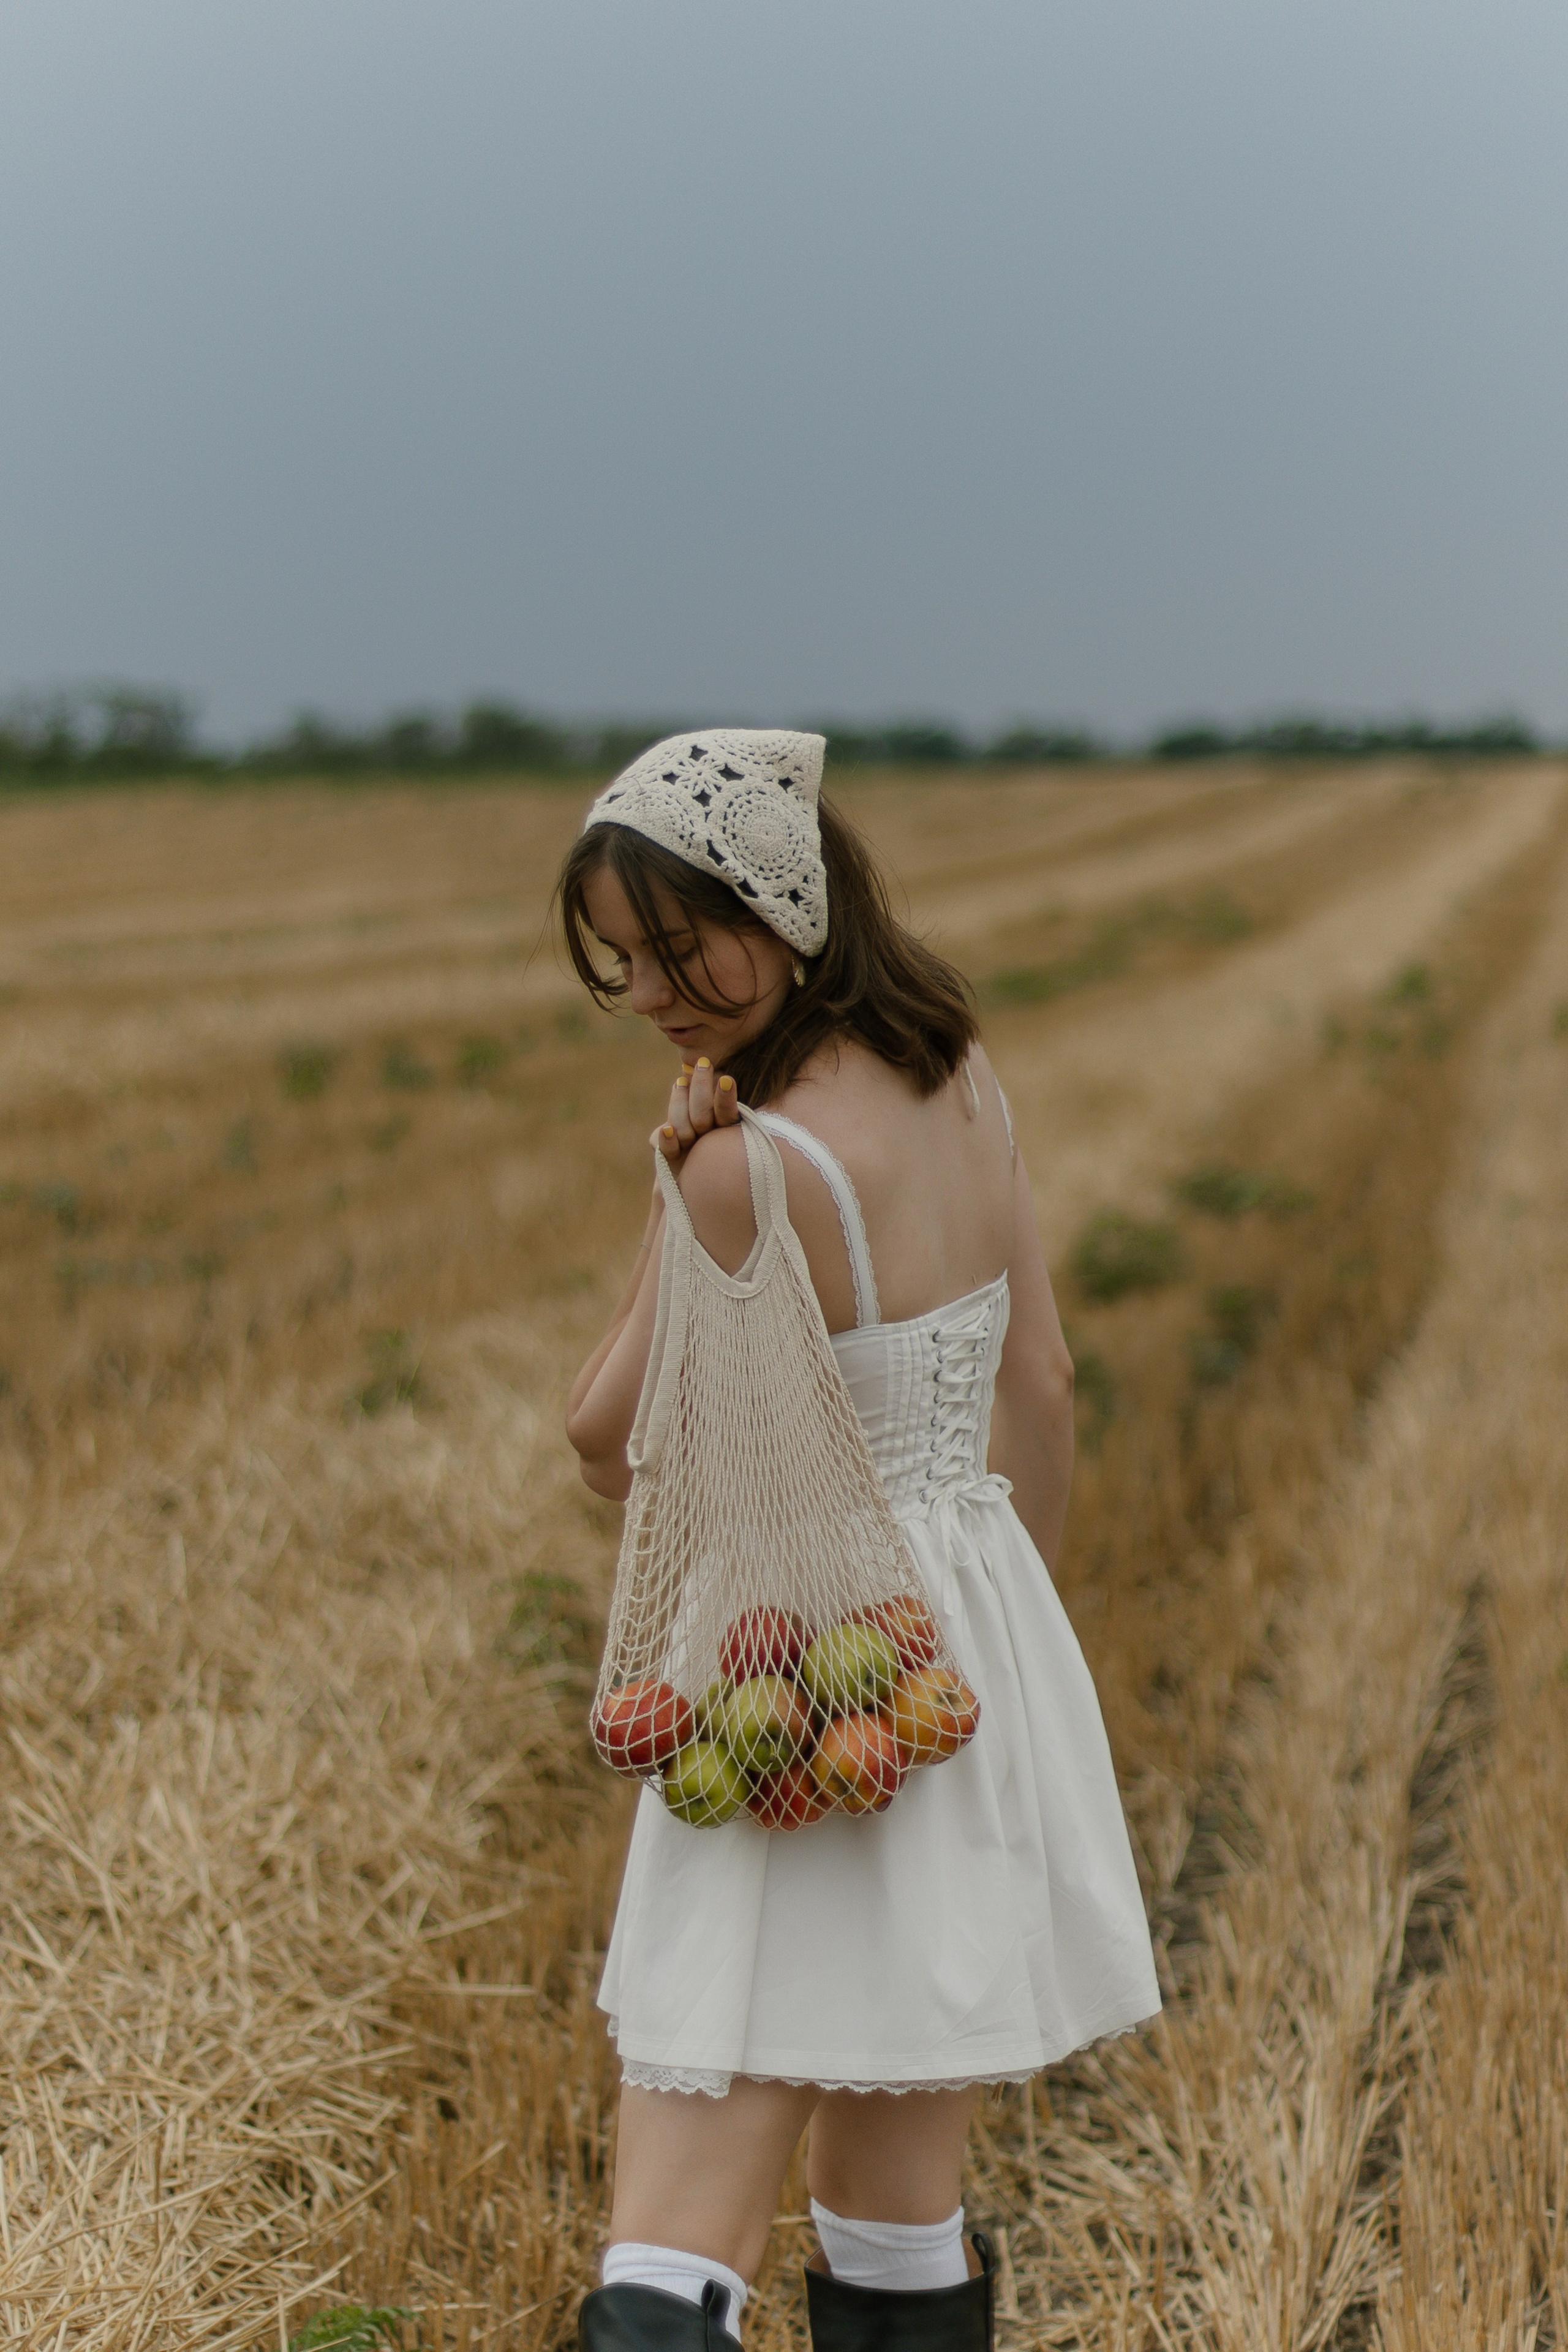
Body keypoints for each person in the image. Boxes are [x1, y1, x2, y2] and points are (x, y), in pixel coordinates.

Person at [557, 731, 1160, 2351]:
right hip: (956, 1655)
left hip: (795, 1669)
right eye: (627, 961)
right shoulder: (964, 1078)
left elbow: (608, 1446)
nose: (662, 988)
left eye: (688, 943)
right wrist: (1005, 1654)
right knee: (896, 2218)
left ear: (789, 903)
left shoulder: (752, 1167)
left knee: (673, 2234)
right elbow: (1044, 1382)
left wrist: (675, 1189)